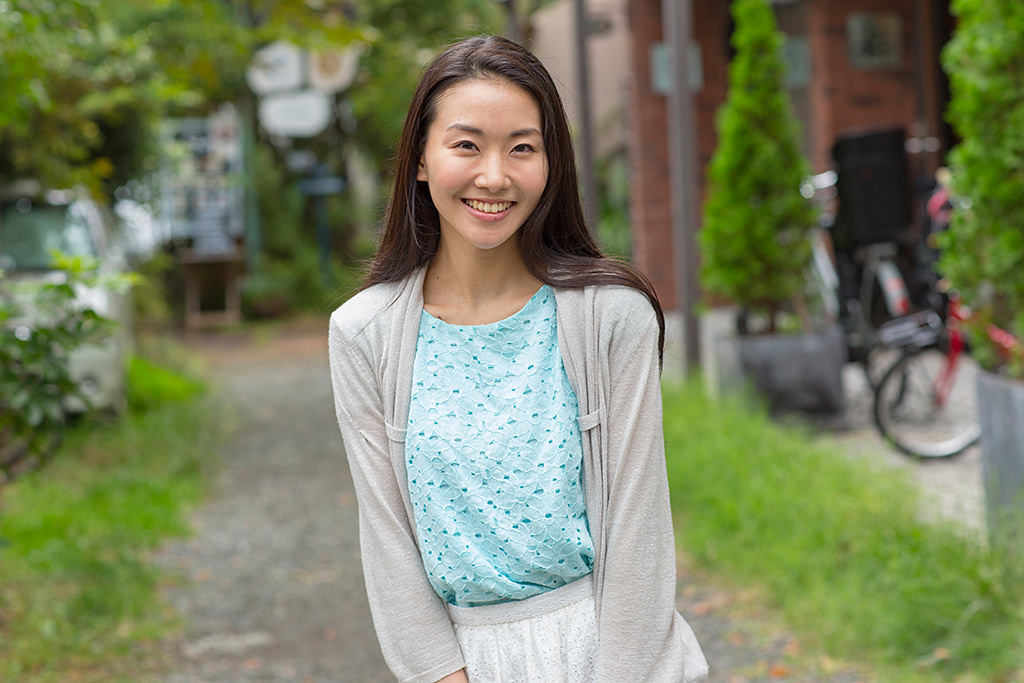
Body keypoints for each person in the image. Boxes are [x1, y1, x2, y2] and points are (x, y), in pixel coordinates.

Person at [328, 35, 707, 683]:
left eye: (522, 148)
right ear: (420, 160)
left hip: (612, 650)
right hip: (465, 660)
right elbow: (387, 540)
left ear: (551, 164)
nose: (494, 176)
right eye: (466, 145)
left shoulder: (610, 317)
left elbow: (638, 528)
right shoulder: (366, 333)